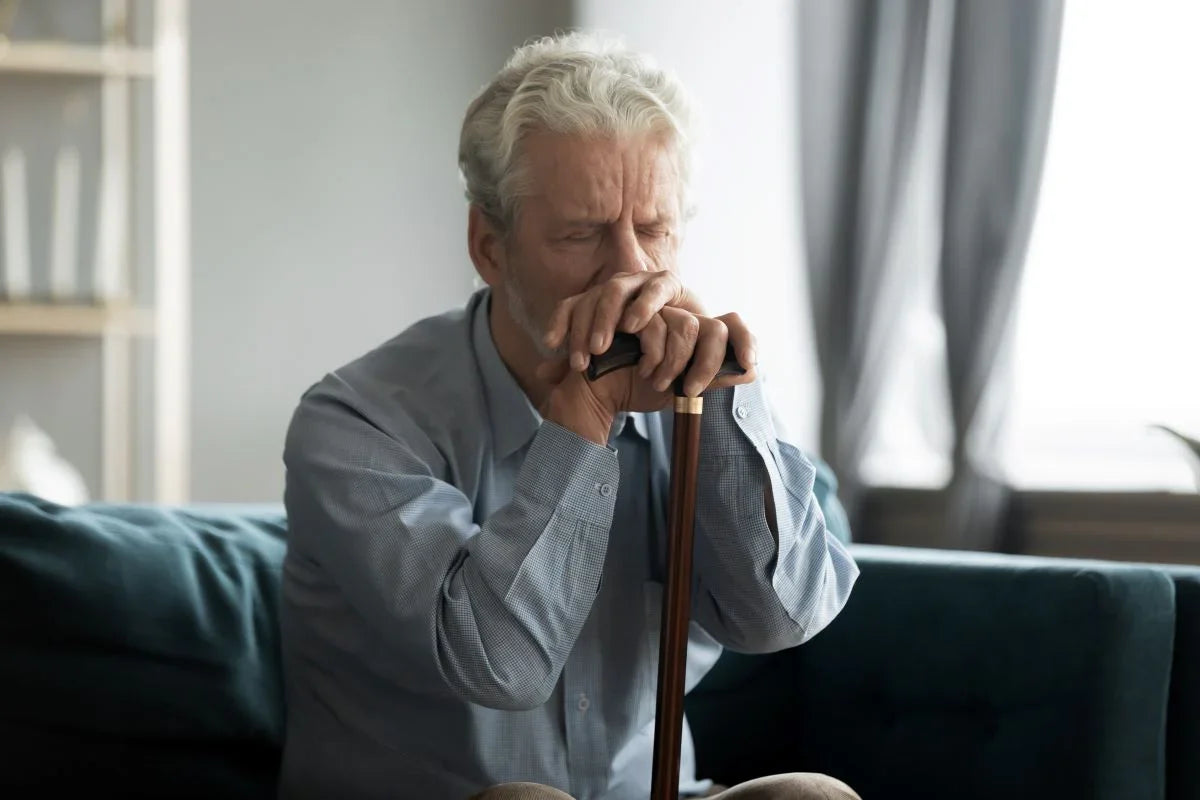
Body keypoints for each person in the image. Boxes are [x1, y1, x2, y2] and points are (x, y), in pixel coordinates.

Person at [279, 32, 860, 800]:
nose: (628, 270)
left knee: (811, 799)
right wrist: (581, 421)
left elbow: (779, 619)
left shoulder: (688, 380)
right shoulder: (354, 425)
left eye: (652, 230)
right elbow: (502, 664)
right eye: (582, 234)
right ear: (490, 247)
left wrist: (722, 396)